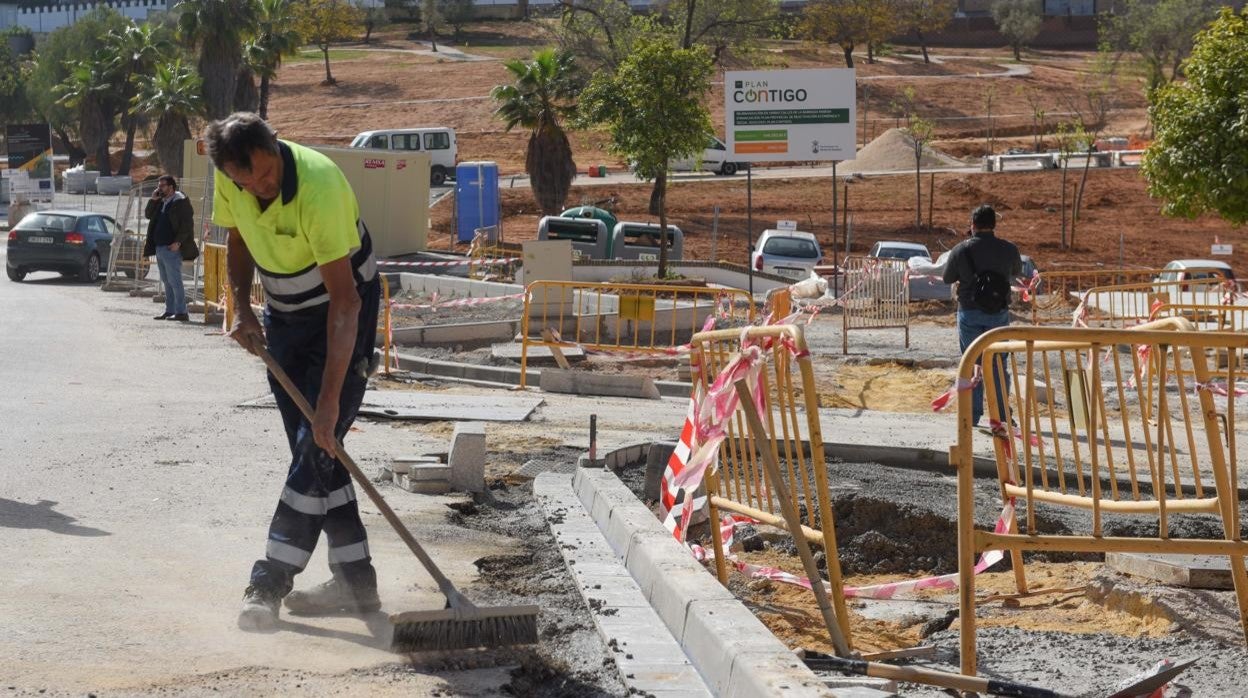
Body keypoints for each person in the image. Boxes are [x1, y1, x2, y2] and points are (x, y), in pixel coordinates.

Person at [205, 112, 382, 632]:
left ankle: (269, 580)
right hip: (285, 313)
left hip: (344, 307)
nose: (260, 186)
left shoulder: (320, 185)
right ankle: (356, 581)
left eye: (266, 173)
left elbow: (345, 305)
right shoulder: (229, 173)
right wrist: (239, 306)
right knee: (317, 452)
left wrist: (330, 402)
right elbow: (237, 240)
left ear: (276, 146)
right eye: (247, 181)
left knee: (317, 440)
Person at [942, 204, 1023, 427]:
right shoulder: (1009, 249)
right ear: (994, 225)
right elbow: (1016, 271)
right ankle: (1002, 416)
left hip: (969, 311)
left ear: (973, 225)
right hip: (998, 313)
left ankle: (972, 415)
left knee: (971, 362)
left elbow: (947, 278)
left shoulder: (961, 249)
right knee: (997, 363)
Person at [143, 175, 197, 321]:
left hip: (172, 249)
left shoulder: (180, 202)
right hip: (160, 248)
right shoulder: (161, 201)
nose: (159, 188)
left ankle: (181, 312)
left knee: (175, 281)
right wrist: (153, 200)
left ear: (171, 187)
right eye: (159, 185)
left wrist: (178, 242)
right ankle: (170, 310)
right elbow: (148, 215)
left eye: (162, 185)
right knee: (166, 281)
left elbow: (187, 225)